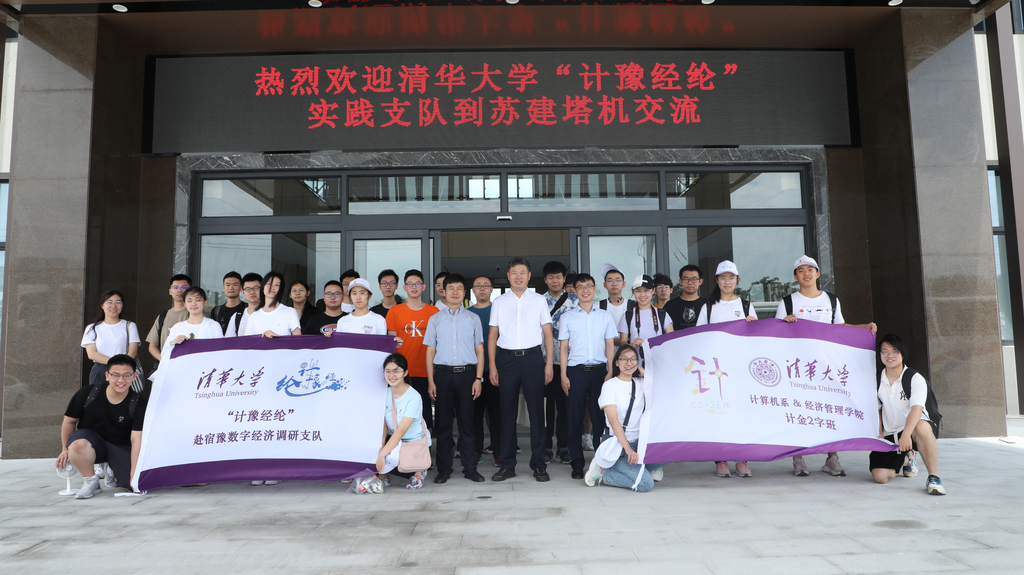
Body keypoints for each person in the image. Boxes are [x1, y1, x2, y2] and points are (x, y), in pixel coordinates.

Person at [778, 255, 878, 477]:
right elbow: (777, 333)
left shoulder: (831, 300)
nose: (806, 273)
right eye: (801, 270)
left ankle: (832, 457)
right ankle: (798, 457)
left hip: (826, 368)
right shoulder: (788, 302)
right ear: (795, 276)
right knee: (799, 410)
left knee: (830, 411)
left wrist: (864, 327)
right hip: (799, 368)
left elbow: (840, 327)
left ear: (818, 273)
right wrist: (785, 323)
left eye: (810, 269)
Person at [488, 257, 555, 482]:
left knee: (537, 413)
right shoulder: (499, 302)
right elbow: (492, 335)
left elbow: (548, 334)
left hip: (533, 359)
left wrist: (548, 364)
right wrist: (493, 365)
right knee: (506, 413)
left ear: (529, 276)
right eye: (514, 272)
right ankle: (507, 465)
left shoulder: (539, 300)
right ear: (508, 276)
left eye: (522, 272)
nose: (518, 276)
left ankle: (539, 464)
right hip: (506, 360)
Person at [696, 260, 757, 478]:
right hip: (716, 371)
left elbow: (756, 339)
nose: (727, 282)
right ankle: (720, 459)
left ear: (737, 280)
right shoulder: (708, 307)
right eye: (723, 278)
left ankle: (741, 459)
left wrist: (753, 324)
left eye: (731, 278)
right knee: (719, 413)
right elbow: (698, 338)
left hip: (740, 370)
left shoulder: (746, 306)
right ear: (717, 281)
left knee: (741, 413)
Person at [56, 354, 148, 498]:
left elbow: (136, 440)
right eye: (115, 375)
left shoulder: (138, 403)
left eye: (127, 375)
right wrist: (65, 449)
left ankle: (111, 470)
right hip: (90, 442)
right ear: (107, 375)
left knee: (134, 484)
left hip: (120, 445)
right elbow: (69, 421)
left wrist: (133, 476)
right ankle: (91, 480)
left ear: (134, 376)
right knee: (77, 445)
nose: (121, 380)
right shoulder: (87, 394)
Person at [424, 274, 486, 484]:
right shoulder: (435, 319)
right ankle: (444, 469)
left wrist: (478, 378)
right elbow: (430, 352)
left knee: (467, 423)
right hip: (442, 375)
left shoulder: (473, 318)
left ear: (464, 292)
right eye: (451, 288)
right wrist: (431, 381)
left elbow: (480, 350)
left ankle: (470, 468)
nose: (455, 292)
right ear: (444, 290)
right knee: (443, 424)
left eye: (459, 288)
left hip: (468, 375)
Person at [870, 334, 945, 495]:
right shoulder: (876, 380)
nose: (889, 355)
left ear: (903, 354)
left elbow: (917, 409)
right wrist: (880, 432)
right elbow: (877, 409)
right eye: (885, 351)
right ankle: (907, 458)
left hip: (913, 429)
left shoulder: (914, 378)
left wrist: (906, 434)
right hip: (891, 432)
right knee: (880, 476)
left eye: (894, 351)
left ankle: (934, 477)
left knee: (922, 427)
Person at [559, 273, 617, 479]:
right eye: (581, 287)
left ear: (594, 289)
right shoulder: (567, 317)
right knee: (574, 418)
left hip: (600, 372)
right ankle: (577, 463)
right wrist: (563, 375)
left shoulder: (605, 316)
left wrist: (611, 371)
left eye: (589, 286)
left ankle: (600, 461)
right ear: (575, 291)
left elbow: (610, 345)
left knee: (599, 419)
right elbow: (563, 348)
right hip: (575, 372)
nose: (585, 290)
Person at [584, 345, 665, 492]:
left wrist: (641, 371)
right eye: (624, 359)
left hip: (639, 443)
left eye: (633, 359)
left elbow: (664, 383)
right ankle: (604, 471)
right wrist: (628, 449)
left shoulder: (641, 383)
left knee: (670, 453)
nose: (629, 363)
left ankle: (637, 469)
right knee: (645, 484)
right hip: (619, 446)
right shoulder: (610, 386)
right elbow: (613, 421)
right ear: (616, 362)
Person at [387, 270, 440, 431]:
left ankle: (425, 445)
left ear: (424, 286)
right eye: (410, 284)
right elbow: (391, 342)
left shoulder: (434, 312)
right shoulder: (395, 311)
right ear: (404, 287)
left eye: (417, 283)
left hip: (426, 371)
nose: (414, 287)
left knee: (425, 415)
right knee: (401, 414)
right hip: (402, 372)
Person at [377, 353, 430, 490]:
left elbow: (401, 431)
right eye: (387, 371)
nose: (391, 375)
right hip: (395, 440)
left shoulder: (414, 397)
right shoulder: (385, 393)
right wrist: (381, 445)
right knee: (377, 448)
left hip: (412, 441)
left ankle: (420, 470)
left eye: (396, 371)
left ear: (405, 372)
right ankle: (384, 475)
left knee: (396, 461)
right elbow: (383, 424)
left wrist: (382, 454)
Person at [542, 260, 577, 464]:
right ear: (545, 280)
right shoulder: (538, 302)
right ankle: (546, 446)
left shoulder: (575, 301)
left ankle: (564, 447)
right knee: (546, 407)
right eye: (551, 277)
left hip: (568, 363)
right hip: (544, 362)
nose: (555, 280)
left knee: (565, 407)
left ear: (564, 279)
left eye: (558, 277)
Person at [469, 276, 503, 467]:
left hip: (496, 370)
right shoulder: (466, 313)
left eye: (486, 286)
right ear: (473, 290)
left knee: (497, 414)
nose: (482, 289)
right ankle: (475, 452)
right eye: (478, 286)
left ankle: (499, 452)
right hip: (473, 372)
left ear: (492, 290)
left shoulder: (499, 310)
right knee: (474, 414)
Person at [82, 290, 140, 387]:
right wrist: (115, 364)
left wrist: (118, 368)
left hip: (122, 372)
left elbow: (133, 353)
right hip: (100, 371)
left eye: (118, 302)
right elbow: (92, 354)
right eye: (109, 302)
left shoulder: (130, 326)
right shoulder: (92, 328)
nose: (113, 306)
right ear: (102, 305)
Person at [161, 287, 224, 360]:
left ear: (205, 302)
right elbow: (164, 355)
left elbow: (221, 352)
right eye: (189, 300)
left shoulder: (213, 326)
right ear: (185, 304)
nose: (193, 303)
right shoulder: (177, 327)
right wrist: (173, 343)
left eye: (198, 300)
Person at [616, 275, 674, 353]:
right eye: (638, 291)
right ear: (633, 292)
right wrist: (632, 345)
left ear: (653, 291)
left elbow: (672, 340)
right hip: (635, 360)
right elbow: (622, 343)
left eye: (646, 290)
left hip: (658, 359)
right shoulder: (627, 316)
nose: (642, 295)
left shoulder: (662, 314)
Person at [145, 274, 191, 368]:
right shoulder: (162, 316)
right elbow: (152, 345)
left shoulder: (194, 315)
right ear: (170, 291)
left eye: (184, 287)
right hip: (165, 366)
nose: (179, 290)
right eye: (175, 287)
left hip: (187, 365)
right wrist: (164, 360)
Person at [243, 271, 301, 338]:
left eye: (277, 285)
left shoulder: (290, 312)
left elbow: (298, 341)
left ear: (281, 289)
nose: (272, 287)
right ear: (263, 287)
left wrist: (277, 338)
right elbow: (248, 342)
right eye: (269, 284)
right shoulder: (253, 317)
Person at [663, 265, 707, 331]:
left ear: (700, 281)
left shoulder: (707, 305)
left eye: (694, 279)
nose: (690, 282)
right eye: (686, 279)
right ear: (680, 281)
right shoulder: (670, 305)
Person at [209, 272, 245, 336]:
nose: (231, 287)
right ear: (223, 287)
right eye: (227, 285)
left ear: (241, 287)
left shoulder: (247, 309)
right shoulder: (216, 311)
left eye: (235, 285)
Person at [598, 264, 631, 331]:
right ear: (605, 285)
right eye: (610, 281)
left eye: (617, 280)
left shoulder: (632, 306)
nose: (614, 284)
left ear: (624, 284)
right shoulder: (598, 307)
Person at [235, 273, 263, 337]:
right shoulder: (237, 317)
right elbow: (229, 341)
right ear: (242, 292)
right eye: (248, 289)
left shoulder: (271, 314)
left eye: (256, 288)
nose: (252, 292)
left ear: (263, 289)